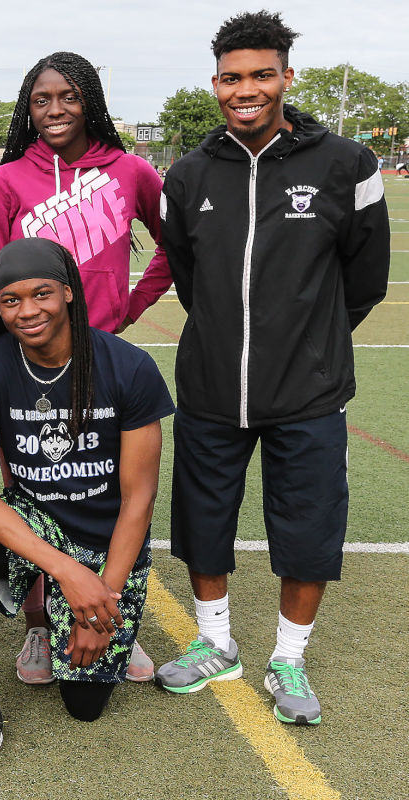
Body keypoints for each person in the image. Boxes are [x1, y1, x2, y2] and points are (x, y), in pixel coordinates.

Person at [155, 11, 390, 727]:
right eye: (232, 78)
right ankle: (215, 642)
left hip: (308, 393)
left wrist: (310, 343)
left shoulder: (347, 164)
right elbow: (189, 277)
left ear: (287, 77)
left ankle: (289, 655)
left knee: (308, 529)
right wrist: (227, 338)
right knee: (202, 521)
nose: (246, 90)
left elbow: (365, 280)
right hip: (210, 389)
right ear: (215, 84)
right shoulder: (187, 175)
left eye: (261, 75)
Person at [0, 238, 172, 787]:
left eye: (41, 294)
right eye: (11, 300)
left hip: (104, 537)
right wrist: (66, 573)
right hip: (34, 521)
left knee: (84, 705)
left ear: (67, 292)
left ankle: (108, 620)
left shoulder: (128, 367)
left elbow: (138, 500)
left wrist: (102, 600)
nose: (28, 311)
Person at [0, 51, 171, 684]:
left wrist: (130, 306)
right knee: (33, 493)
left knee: (107, 492)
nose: (54, 110)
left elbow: (174, 248)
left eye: (68, 96)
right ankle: (39, 624)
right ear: (27, 110)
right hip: (28, 365)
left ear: (90, 100)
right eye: (41, 100)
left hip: (100, 363)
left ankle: (116, 614)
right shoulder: (7, 181)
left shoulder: (131, 171)